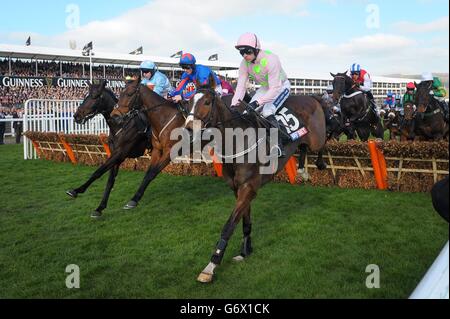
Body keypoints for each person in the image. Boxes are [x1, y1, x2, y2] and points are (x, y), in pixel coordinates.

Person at [231, 32, 290, 157]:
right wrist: (234, 104)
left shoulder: (271, 59)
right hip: (265, 87)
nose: (245, 55)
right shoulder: (244, 63)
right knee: (247, 112)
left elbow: (274, 88)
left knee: (267, 111)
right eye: (242, 52)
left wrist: (257, 102)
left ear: (256, 49)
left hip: (280, 86)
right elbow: (241, 86)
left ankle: (277, 146)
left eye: (247, 51)